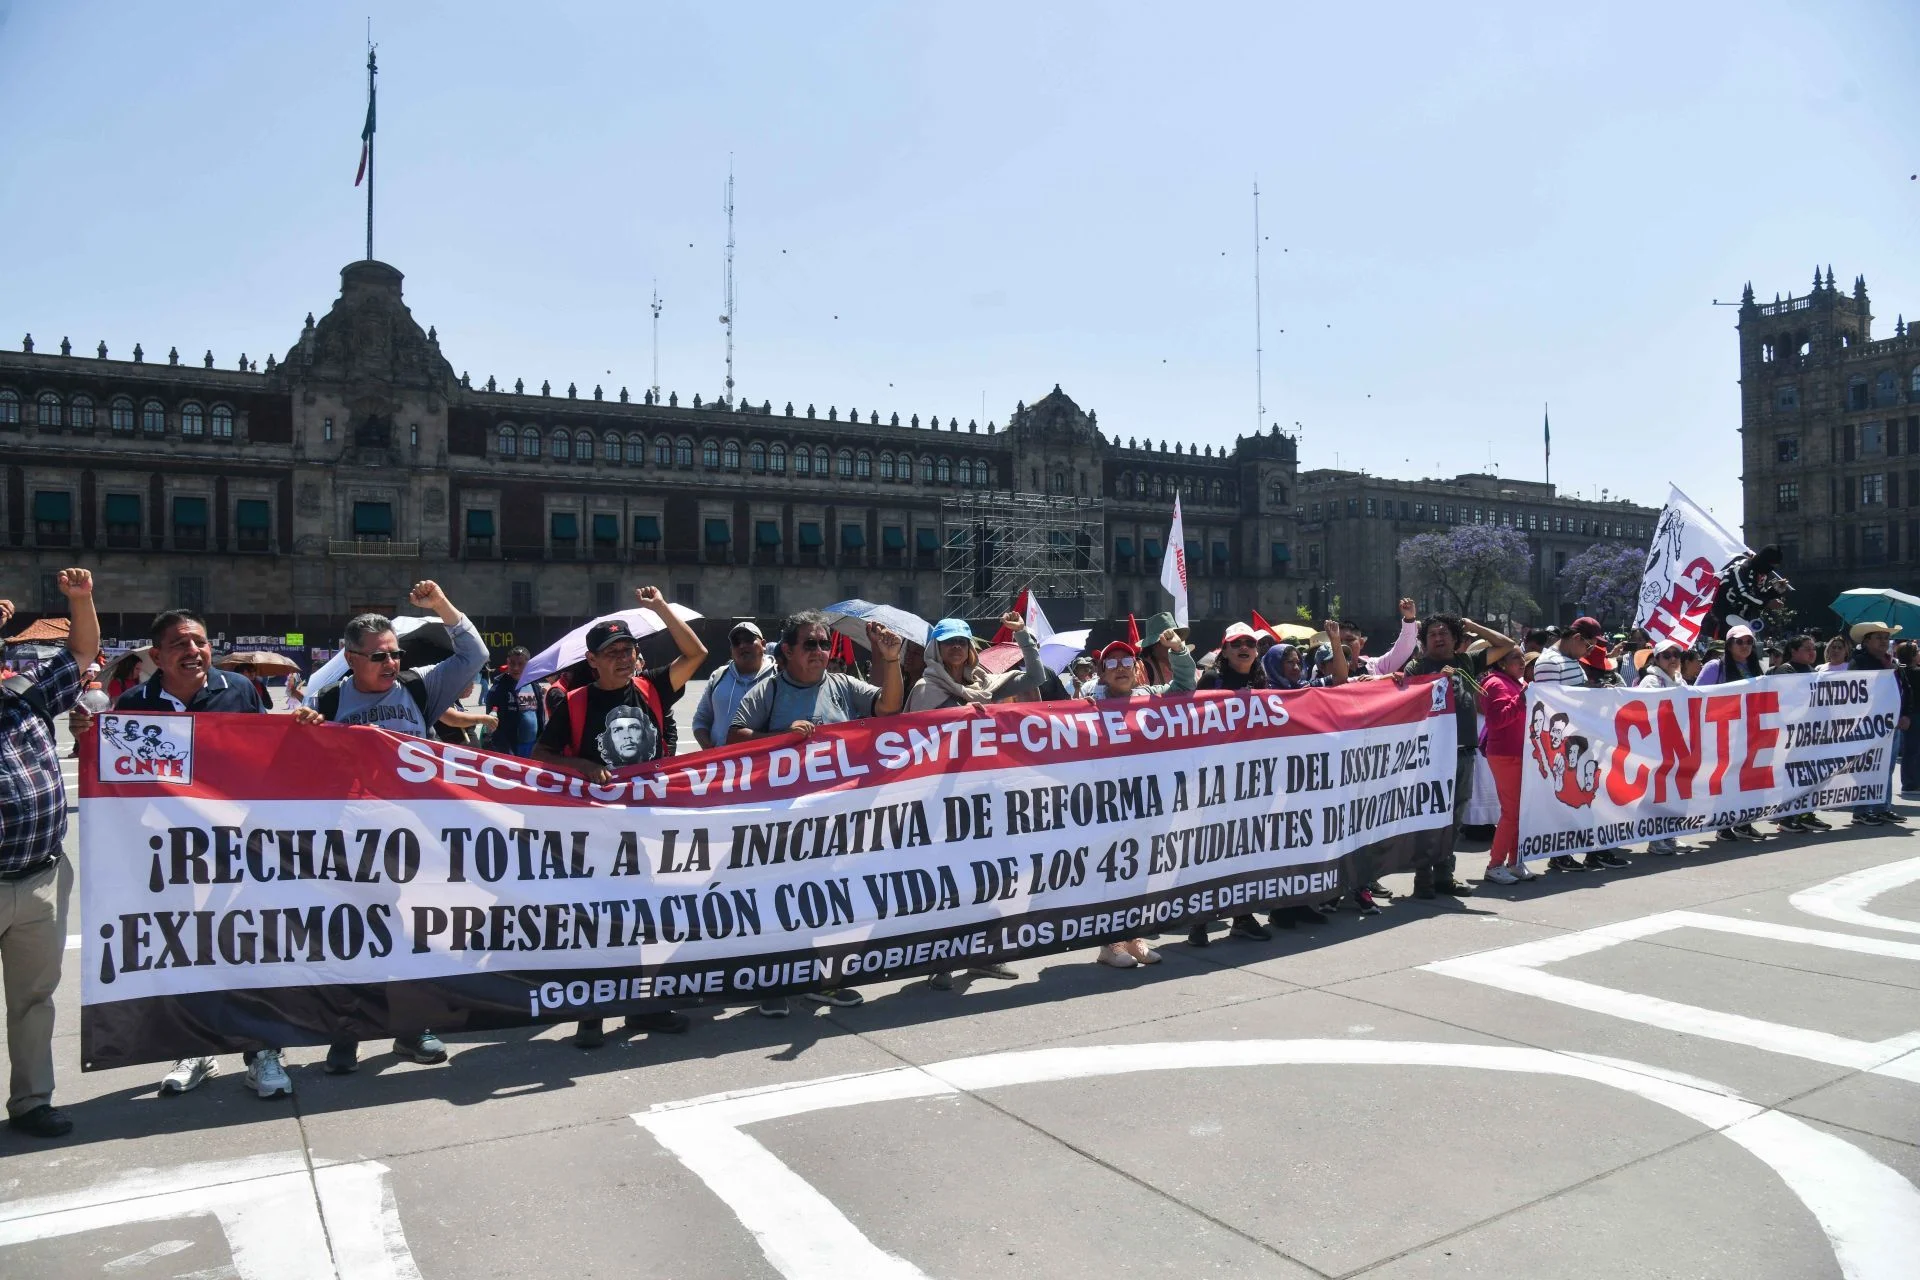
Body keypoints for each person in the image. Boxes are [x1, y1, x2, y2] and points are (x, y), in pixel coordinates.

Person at [292, 580, 490, 1074]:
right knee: (356, 939)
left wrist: (440, 605)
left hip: (416, 841)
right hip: (352, 845)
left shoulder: (422, 689)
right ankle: (348, 1032)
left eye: (395, 654)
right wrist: (304, 734)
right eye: (379, 656)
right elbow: (300, 769)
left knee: (412, 937)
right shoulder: (330, 701)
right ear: (351, 657)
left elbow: (474, 652)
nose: (391, 663)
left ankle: (410, 1029)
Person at [97, 609, 292, 1097]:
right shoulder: (136, 704)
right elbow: (120, 780)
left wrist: (300, 729)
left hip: (237, 845)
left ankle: (262, 1051)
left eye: (200, 642)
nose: (194, 651)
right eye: (180, 644)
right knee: (185, 950)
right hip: (171, 854)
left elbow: (265, 755)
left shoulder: (240, 691)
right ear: (157, 656)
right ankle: (196, 1049)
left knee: (250, 949)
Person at [533, 588, 706, 1046]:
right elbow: (541, 756)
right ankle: (591, 1013)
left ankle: (644, 1008)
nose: (625, 659)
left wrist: (661, 608)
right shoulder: (573, 703)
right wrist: (583, 767)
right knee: (600, 921)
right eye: (614, 653)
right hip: (597, 833)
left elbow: (697, 652)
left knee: (650, 918)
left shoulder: (652, 686)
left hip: (652, 826)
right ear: (593, 660)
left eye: (630, 650)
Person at [731, 610, 905, 1015]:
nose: (820, 651)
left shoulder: (843, 685)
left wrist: (891, 660)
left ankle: (825, 982)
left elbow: (888, 708)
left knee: (831, 903)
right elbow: (735, 737)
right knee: (779, 901)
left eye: (824, 644)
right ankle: (774, 984)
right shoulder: (768, 691)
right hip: (780, 826)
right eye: (810, 644)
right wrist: (782, 738)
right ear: (787, 651)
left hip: (836, 824)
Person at [0, 569, 97, 1138]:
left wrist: (81, 600)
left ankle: (32, 1099)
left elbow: (81, 651)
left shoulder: (24, 698)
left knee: (35, 1000)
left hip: (39, 879)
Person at [909, 613, 1042, 987]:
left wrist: (1024, 637)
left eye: (962, 642)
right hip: (943, 801)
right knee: (950, 885)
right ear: (936, 648)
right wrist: (960, 716)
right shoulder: (925, 689)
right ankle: (940, 962)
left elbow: (1035, 677)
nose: (956, 647)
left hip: (987, 796)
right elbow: (913, 745)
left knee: (987, 879)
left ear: (970, 649)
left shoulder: (987, 683)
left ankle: (985, 956)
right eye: (949, 641)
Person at [1085, 634, 1196, 966]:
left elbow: (1185, 686)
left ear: (1136, 668)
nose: (1120, 669)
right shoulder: (1087, 704)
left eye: (1126, 662)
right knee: (1111, 871)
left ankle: (1134, 937)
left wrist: (1177, 650)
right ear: (1102, 673)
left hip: (1143, 800)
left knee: (1140, 868)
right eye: (1112, 664)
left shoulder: (1149, 696)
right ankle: (1110, 944)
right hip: (1105, 803)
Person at [1404, 613, 1513, 898]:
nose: (1438, 638)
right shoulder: (1416, 667)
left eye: (1444, 633)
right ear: (1425, 642)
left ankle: (1445, 875)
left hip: (1463, 752)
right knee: (1428, 816)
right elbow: (1405, 704)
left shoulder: (1466, 662)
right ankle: (1423, 879)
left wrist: (1474, 625)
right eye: (1432, 634)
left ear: (1456, 639)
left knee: (1454, 818)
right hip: (1430, 755)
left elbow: (1506, 644)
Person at [1695, 625, 1768, 843]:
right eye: (1739, 641)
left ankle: (1744, 822)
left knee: (1748, 779)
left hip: (1750, 731)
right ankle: (1723, 825)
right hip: (1722, 732)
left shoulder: (1756, 667)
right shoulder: (1715, 667)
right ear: (1728, 645)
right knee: (1725, 780)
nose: (1745, 646)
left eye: (1748, 642)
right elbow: (1696, 697)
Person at [1479, 647, 1538, 884]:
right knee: (1511, 812)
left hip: (1518, 753)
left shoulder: (1513, 682)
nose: (1522, 662)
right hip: (1506, 754)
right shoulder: (1496, 683)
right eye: (1515, 658)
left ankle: (1514, 861)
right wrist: (1521, 700)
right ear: (1501, 662)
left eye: (1522, 657)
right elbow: (1496, 720)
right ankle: (1495, 865)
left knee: (1518, 812)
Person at [1848, 621, 1912, 828]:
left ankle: (1881, 807)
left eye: (1886, 638)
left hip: (1891, 723)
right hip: (1868, 724)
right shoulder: (1859, 663)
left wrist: (1905, 713)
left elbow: (1905, 689)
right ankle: (1861, 810)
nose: (1884, 642)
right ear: (1866, 641)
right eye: (1879, 638)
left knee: (1887, 767)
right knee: (1867, 767)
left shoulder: (1891, 662)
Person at [1632, 638, 1690, 853]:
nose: (1673, 659)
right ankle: (1655, 839)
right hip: (1657, 746)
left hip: (1677, 743)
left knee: (1674, 793)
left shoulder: (1679, 679)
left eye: (1676, 655)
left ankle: (1670, 835)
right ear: (1657, 659)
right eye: (1667, 655)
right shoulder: (1652, 681)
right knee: (1657, 794)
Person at [692, 622, 775, 749]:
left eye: (748, 640)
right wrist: (709, 751)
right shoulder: (718, 676)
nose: (742, 645)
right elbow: (701, 720)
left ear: (763, 645)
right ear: (731, 650)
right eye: (736, 642)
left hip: (764, 763)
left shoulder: (778, 676)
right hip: (724, 764)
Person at [484, 646, 546, 756]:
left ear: (528, 665)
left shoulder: (534, 685)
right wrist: (502, 746)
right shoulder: (498, 689)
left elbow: (539, 714)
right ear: (507, 662)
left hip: (534, 746)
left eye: (520, 664)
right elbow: (491, 722)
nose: (516, 668)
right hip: (510, 748)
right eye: (512, 663)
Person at [1342, 598, 1419, 676]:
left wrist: (1409, 619)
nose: (1343, 645)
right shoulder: (1329, 673)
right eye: (1337, 641)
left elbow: (1402, 650)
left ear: (1361, 643)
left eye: (1349, 640)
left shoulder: (1374, 665)